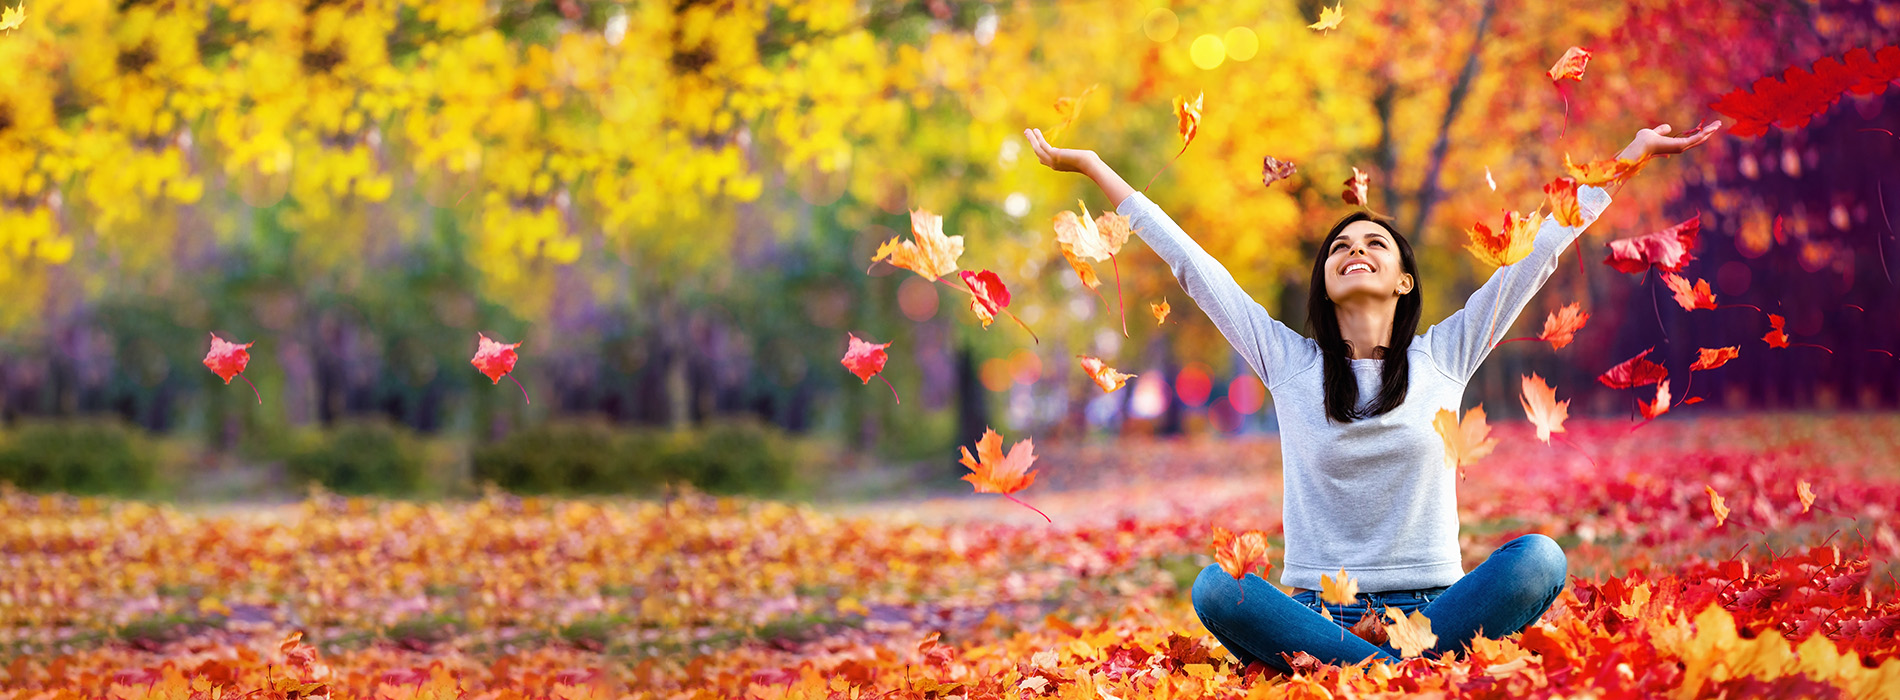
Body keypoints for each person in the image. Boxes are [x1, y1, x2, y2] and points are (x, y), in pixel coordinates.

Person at [1023, 120, 1720, 671]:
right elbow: (1193, 267)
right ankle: (1391, 675)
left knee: (1540, 557)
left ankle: (1362, 677)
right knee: (1214, 586)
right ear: (1325, 282)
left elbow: (1543, 252)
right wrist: (1092, 167)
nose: (1355, 249)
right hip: (1318, 616)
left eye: (1374, 244)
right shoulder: (1286, 362)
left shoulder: (1446, 353)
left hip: (1436, 611)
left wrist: (1630, 156)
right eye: (1340, 248)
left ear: (1404, 281)